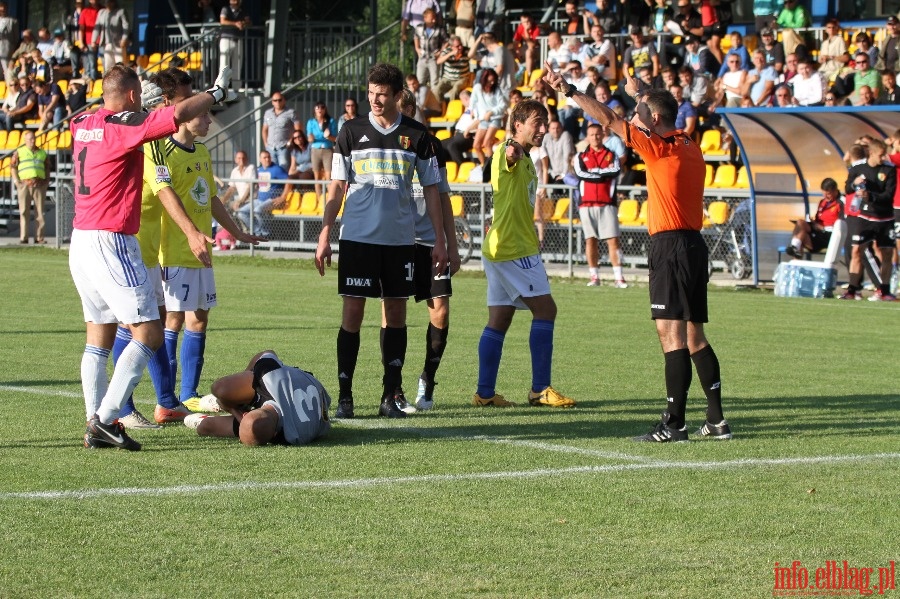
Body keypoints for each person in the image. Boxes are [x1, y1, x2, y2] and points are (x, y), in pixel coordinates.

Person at [544, 61, 731, 441]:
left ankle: (674, 424)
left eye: (641, 112)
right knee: (695, 336)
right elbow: (653, 107)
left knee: (671, 336)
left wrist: (568, 90)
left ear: (655, 118)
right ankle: (716, 420)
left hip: (671, 246)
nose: (635, 116)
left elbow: (609, 117)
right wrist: (641, 91)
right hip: (694, 245)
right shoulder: (688, 144)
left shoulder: (657, 148)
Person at [70, 64, 235, 450]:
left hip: (80, 239)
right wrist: (215, 94)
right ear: (132, 97)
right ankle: (106, 419)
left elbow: (106, 116)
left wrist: (135, 109)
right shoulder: (125, 128)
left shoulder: (82, 122)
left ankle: (94, 420)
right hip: (111, 239)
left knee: (98, 336)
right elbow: (176, 114)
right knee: (149, 331)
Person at [314, 63, 447, 420]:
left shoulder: (417, 136)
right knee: (353, 313)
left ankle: (390, 395)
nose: (374, 100)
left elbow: (433, 191)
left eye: (382, 94)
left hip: (400, 241)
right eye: (370, 93)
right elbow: (337, 187)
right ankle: (345, 396)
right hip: (358, 239)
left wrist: (440, 242)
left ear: (397, 95)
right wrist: (325, 233)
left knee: (396, 314)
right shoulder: (350, 131)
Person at [473, 98, 576, 410]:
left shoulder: (529, 158)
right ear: (517, 125)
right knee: (546, 310)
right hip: (514, 249)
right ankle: (539, 390)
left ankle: (485, 394)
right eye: (536, 123)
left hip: (498, 248)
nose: (542, 129)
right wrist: (511, 150)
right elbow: (507, 155)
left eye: (545, 123)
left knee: (500, 318)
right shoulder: (511, 151)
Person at [387, 88, 460, 412]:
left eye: (406, 109)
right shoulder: (385, 144)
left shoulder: (431, 146)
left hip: (431, 242)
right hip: (398, 241)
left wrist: (452, 244)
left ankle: (428, 379)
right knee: (392, 315)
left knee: (440, 311)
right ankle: (395, 389)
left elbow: (442, 197)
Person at [187, 351, 331, 447]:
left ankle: (222, 405)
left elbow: (249, 426)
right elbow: (266, 353)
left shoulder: (285, 435)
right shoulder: (268, 380)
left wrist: (231, 409)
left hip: (313, 389)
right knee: (221, 389)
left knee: (204, 427)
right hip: (302, 382)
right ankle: (235, 400)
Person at [840, 138, 897, 301]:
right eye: (881, 154)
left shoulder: (888, 170)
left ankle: (884, 291)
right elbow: (847, 187)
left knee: (887, 253)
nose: (884, 157)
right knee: (857, 250)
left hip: (885, 218)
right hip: (865, 217)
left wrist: (870, 196)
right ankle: (852, 290)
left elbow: (889, 195)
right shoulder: (858, 168)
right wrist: (854, 184)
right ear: (871, 153)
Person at [572, 123, 626, 288]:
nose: (595, 137)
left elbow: (615, 171)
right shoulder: (581, 156)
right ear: (587, 137)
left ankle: (619, 277)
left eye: (597, 134)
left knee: (613, 240)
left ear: (602, 135)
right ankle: (594, 276)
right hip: (586, 204)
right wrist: (602, 173)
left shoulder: (612, 155)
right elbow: (581, 174)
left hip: (607, 203)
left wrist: (593, 173)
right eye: (591, 135)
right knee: (590, 240)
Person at [236, 150, 290, 236]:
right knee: (241, 212)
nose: (267, 159)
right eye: (264, 158)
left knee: (257, 211)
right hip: (259, 200)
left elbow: (289, 181)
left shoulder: (277, 169)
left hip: (272, 200)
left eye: (268, 157)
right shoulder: (259, 170)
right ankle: (257, 231)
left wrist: (283, 196)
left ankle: (266, 234)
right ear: (260, 159)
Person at [786, 178, 843, 258]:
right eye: (823, 193)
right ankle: (794, 247)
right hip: (817, 232)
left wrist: (822, 228)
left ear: (835, 191)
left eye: (828, 194)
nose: (826, 197)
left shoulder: (841, 203)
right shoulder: (822, 202)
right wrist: (813, 223)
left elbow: (843, 225)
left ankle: (794, 248)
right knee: (800, 223)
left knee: (801, 238)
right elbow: (819, 219)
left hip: (828, 235)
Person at [10, 130, 49, 244]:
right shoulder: (20, 152)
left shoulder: (42, 153)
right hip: (24, 185)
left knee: (40, 212)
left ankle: (39, 237)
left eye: (33, 139)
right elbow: (13, 166)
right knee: (24, 211)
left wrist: (46, 182)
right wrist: (16, 181)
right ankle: (24, 237)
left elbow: (47, 168)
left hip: (39, 185)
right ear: (25, 141)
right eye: (29, 139)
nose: (32, 141)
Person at [469, 68, 507, 166]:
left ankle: (493, 168)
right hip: (483, 119)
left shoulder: (497, 90)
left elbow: (502, 105)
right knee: (476, 145)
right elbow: (473, 101)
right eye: (489, 81)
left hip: (495, 118)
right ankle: (484, 166)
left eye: (493, 80)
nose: (492, 83)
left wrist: (491, 112)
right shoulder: (477, 88)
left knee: (487, 143)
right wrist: (472, 110)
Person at [261, 90, 300, 172]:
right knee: (271, 169)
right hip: (270, 147)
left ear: (284, 100)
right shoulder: (268, 113)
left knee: (283, 168)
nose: (277, 102)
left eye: (280, 100)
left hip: (284, 146)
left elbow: (298, 129)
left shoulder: (291, 112)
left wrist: (291, 141)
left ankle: (283, 185)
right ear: (272, 102)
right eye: (275, 100)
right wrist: (265, 143)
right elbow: (264, 129)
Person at [306, 100, 336, 198]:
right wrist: (314, 137)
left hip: (327, 150)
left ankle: (330, 199)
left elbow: (335, 138)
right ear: (314, 109)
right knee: (317, 176)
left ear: (325, 109)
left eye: (322, 107)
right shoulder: (311, 122)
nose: (320, 109)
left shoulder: (331, 121)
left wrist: (327, 136)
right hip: (315, 150)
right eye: (317, 107)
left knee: (328, 176)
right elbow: (310, 137)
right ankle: (319, 199)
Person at [219, 0, 251, 90]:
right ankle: (222, 88)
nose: (235, 2)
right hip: (226, 39)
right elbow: (222, 21)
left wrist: (243, 23)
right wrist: (235, 24)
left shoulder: (242, 11)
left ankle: (236, 88)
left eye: (237, 0)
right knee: (224, 64)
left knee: (237, 65)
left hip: (238, 40)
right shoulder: (225, 9)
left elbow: (249, 22)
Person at [413, 8, 447, 90]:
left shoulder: (439, 29)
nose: (434, 20)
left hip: (433, 58)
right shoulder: (419, 28)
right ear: (425, 18)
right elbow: (416, 37)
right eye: (432, 18)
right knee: (420, 80)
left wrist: (441, 51)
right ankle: (419, 101)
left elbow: (446, 41)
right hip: (422, 57)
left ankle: (433, 100)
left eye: (435, 18)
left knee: (434, 82)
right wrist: (417, 48)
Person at [442, 88, 477, 163]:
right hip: (458, 135)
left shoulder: (476, 107)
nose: (461, 103)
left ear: (466, 99)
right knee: (439, 144)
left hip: (468, 136)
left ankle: (461, 167)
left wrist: (468, 129)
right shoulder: (468, 108)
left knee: (452, 146)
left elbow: (479, 121)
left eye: (462, 100)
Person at [94, 0, 128, 73]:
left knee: (121, 65)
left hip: (119, 43)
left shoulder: (121, 12)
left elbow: (126, 26)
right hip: (107, 43)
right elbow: (97, 27)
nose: (108, 3)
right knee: (108, 66)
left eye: (110, 1)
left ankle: (122, 81)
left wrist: (124, 38)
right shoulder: (101, 13)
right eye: (106, 2)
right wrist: (93, 40)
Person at [435, 35, 471, 101]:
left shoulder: (466, 51)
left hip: (461, 78)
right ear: (451, 47)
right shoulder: (447, 51)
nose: (460, 47)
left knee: (456, 89)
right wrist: (450, 54)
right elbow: (438, 61)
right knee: (437, 89)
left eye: (461, 45)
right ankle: (440, 108)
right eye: (457, 46)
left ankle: (453, 107)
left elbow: (473, 55)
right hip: (447, 79)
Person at [78, 0, 100, 80]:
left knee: (105, 63)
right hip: (90, 41)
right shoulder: (85, 11)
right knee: (92, 63)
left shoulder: (103, 10)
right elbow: (81, 28)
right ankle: (92, 82)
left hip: (104, 41)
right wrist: (81, 42)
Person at [0, 2, 17, 80]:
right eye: (0, 7)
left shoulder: (13, 21)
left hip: (6, 49)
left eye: (3, 7)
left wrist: (13, 48)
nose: (2, 9)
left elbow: (15, 37)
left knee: (7, 70)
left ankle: (10, 90)